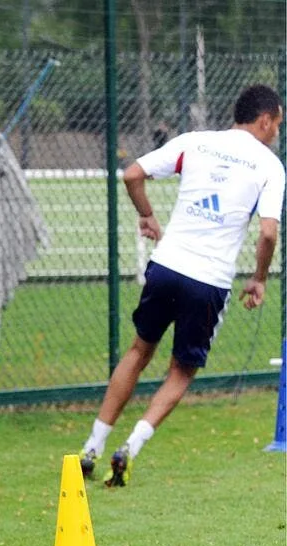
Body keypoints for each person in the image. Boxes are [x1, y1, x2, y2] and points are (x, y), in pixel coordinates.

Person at [80, 84, 283, 487]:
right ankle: (131, 447)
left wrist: (148, 216)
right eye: (278, 123)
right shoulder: (270, 166)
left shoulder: (195, 142)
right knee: (182, 370)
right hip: (208, 281)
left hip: (166, 264)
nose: (277, 132)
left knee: (139, 351)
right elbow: (268, 233)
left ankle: (92, 445)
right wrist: (258, 278)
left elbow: (133, 173)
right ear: (264, 120)